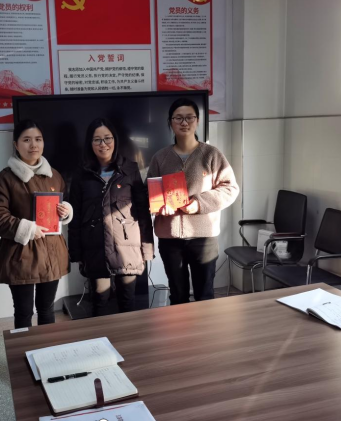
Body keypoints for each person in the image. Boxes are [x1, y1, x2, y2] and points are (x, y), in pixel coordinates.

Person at [147, 98, 239, 305]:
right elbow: (149, 191)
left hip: (203, 238)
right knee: (177, 295)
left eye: (189, 117)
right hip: (170, 238)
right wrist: (158, 206)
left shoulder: (211, 154)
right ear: (170, 122)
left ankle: (204, 329)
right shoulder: (160, 157)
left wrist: (199, 203)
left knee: (204, 296)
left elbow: (230, 189)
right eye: (178, 118)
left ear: (197, 121)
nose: (184, 122)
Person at [0, 119, 72, 329]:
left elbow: (64, 202)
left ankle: (47, 348)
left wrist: (66, 211)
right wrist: (27, 228)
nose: (33, 145)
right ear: (16, 144)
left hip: (51, 253)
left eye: (38, 139)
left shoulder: (54, 176)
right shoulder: (5, 179)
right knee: (24, 312)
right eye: (26, 140)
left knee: (47, 309)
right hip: (21, 255)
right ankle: (24, 349)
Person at [69, 118, 154, 316]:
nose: (103, 144)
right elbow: (75, 216)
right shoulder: (82, 174)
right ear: (90, 143)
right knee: (99, 303)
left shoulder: (130, 169)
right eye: (97, 140)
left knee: (127, 302)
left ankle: (127, 338)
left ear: (115, 140)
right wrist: (76, 253)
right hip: (94, 249)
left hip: (127, 247)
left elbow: (142, 211)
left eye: (107, 138)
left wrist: (147, 249)